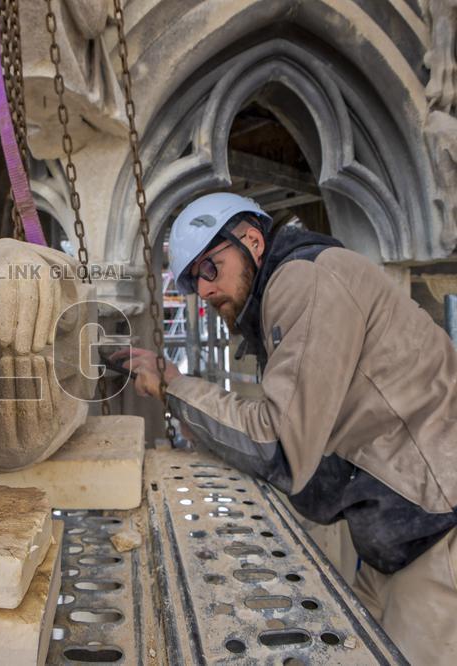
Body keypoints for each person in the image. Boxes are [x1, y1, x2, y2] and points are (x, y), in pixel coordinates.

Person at [117, 192, 457, 665]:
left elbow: (278, 445)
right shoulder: (293, 282)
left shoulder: (304, 279)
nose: (205, 290)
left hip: (436, 536)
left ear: (252, 240)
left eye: (210, 267)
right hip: (396, 535)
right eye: (194, 280)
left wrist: (175, 388)